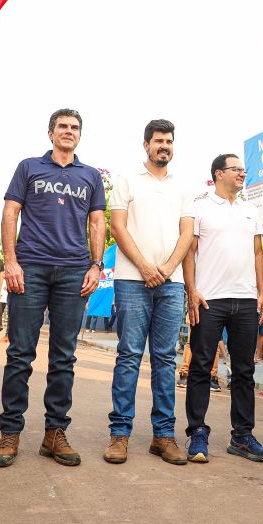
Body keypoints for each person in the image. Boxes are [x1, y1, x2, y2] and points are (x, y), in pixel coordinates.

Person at [0, 109, 106, 468]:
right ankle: (10, 432)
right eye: (62, 127)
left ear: (80, 135)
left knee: (63, 357)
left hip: (74, 271)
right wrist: (10, 261)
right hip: (31, 268)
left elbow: (98, 221)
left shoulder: (90, 176)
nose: (68, 132)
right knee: (20, 353)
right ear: (50, 133)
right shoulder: (29, 167)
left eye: (74, 128)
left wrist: (95, 264)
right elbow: (10, 213)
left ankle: (54, 433)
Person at [103, 119, 194, 466]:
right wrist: (144, 267)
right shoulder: (126, 181)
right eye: (158, 141)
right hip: (131, 280)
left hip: (171, 285)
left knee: (166, 359)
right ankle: (120, 434)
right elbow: (118, 227)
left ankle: (164, 436)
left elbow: (187, 234)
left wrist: (168, 268)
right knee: (128, 355)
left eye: (169, 141)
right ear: (146, 145)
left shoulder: (184, 187)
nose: (164, 146)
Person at [182, 153, 263, 464]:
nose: (242, 174)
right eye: (236, 169)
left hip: (246, 299)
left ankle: (242, 436)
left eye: (243, 170)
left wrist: (262, 292)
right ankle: (197, 434)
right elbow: (189, 252)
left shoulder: (251, 210)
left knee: (245, 370)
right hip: (209, 299)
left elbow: (258, 254)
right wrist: (192, 291)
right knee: (201, 367)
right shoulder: (200, 206)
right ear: (219, 174)